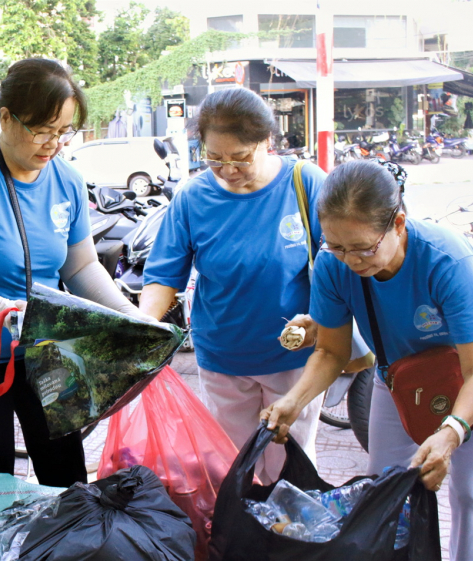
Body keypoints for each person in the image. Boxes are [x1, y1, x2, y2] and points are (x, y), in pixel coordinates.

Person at [0, 58, 150, 488]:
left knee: (63, 468)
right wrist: (9, 312)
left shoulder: (66, 179)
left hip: (45, 346)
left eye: (63, 131)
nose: (53, 144)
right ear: (6, 118)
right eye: (42, 130)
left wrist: (130, 315)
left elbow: (80, 265)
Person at [263, 160, 473, 560]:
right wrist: (294, 401)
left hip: (467, 382)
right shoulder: (333, 266)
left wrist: (451, 433)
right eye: (337, 246)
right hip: (395, 379)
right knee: (383, 487)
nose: (352, 261)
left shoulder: (448, 261)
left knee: (471, 495)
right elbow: (331, 351)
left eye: (363, 247)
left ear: (397, 224)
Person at [137, 87, 329, 484]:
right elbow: (163, 276)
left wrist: (327, 323)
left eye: (240, 158)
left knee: (289, 472)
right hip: (224, 358)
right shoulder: (192, 197)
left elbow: (341, 262)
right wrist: (141, 329)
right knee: (233, 469)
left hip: (294, 359)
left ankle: (290, 543)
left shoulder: (304, 182)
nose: (227, 170)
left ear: (267, 142)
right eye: (213, 159)